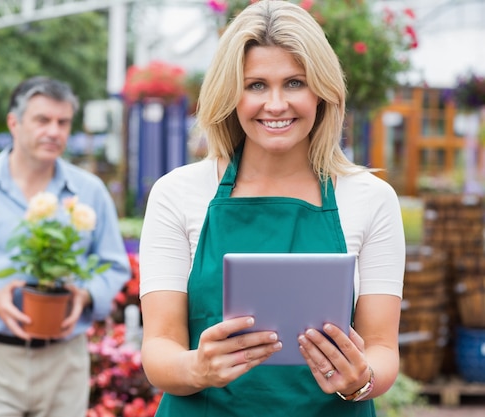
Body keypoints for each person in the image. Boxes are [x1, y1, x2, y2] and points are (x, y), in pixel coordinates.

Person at [138, 1, 405, 416]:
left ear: (322, 91)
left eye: (295, 82)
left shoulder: (370, 198)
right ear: (230, 94)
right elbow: (158, 350)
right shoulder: (178, 193)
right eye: (256, 85)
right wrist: (198, 367)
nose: (276, 104)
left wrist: (360, 380)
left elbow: (383, 347)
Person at [0, 76, 131, 417]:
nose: (54, 131)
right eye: (42, 120)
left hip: (64, 362)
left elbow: (114, 264)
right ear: (14, 123)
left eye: (63, 122)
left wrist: (84, 295)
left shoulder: (90, 191)